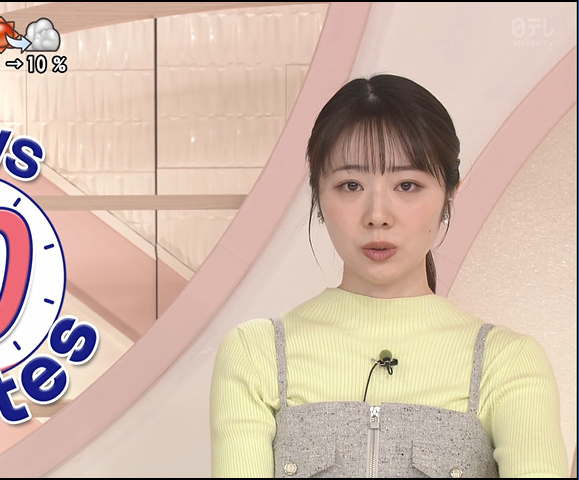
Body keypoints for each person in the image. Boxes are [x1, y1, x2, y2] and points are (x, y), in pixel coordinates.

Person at [209, 74, 567, 478]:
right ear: (318, 195)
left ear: (449, 195)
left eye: (407, 185)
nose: (377, 215)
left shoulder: (507, 362)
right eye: (350, 185)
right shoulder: (256, 353)